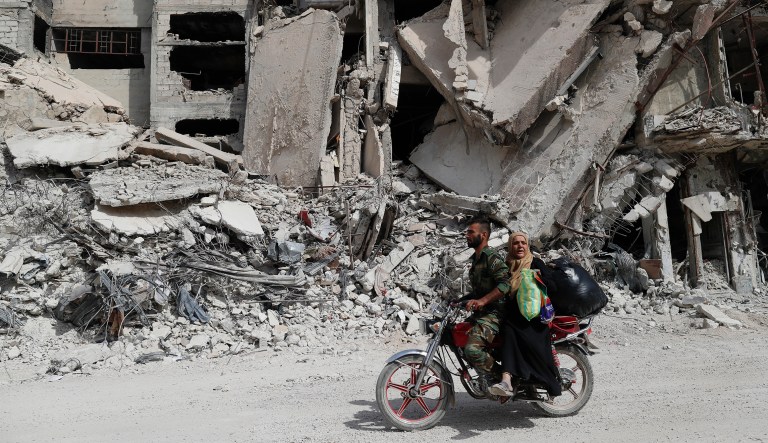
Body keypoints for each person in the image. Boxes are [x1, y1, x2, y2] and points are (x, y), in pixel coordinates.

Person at [489, 232, 562, 400]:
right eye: (516, 243)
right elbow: (496, 289)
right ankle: (507, 380)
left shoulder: (535, 262)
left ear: (528, 245)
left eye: (523, 243)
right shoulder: (506, 265)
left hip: (534, 320)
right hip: (513, 316)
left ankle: (507, 381)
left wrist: (538, 277)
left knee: (509, 331)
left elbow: (553, 286)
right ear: (510, 246)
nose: (520, 246)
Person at [462, 216, 511, 392]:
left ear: (483, 235)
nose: (466, 235)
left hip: (495, 314)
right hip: (482, 313)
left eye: (470, 232)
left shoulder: (492, 257)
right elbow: (479, 292)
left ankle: (504, 380)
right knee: (457, 339)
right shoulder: (475, 259)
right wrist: (459, 301)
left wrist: (482, 301)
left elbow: (505, 284)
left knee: (472, 350)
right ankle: (485, 376)